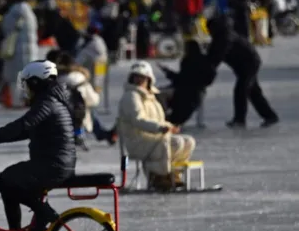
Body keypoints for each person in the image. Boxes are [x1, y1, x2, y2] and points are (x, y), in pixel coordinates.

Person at [0, 61, 76, 231]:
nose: (25, 88)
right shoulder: (51, 101)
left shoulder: (47, 103)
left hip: (53, 165)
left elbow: (22, 126)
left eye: (27, 83)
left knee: (7, 182)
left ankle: (43, 213)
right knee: (8, 181)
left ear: (36, 82)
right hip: (54, 163)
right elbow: (26, 132)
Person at [116, 61, 196, 191]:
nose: (138, 80)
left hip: (152, 138)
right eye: (135, 76)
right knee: (175, 143)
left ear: (149, 79)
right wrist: (159, 128)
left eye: (142, 77)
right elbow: (138, 120)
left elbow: (159, 119)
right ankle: (158, 176)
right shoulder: (131, 96)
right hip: (138, 141)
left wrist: (170, 126)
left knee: (188, 141)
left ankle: (173, 174)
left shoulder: (151, 96)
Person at [206, 15, 279, 129]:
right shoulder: (222, 36)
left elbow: (217, 56)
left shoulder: (225, 37)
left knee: (241, 90)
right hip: (243, 65)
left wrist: (209, 67)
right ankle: (270, 116)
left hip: (249, 64)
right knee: (253, 92)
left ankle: (240, 119)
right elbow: (213, 53)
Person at [0, 0, 39, 108]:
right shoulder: (30, 12)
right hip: (31, 49)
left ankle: (16, 102)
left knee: (15, 78)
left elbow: (6, 28)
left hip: (16, 49)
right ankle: (29, 100)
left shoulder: (13, 12)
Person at [159, 40, 217, 126]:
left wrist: (168, 72)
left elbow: (181, 79)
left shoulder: (187, 61)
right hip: (197, 91)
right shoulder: (205, 60)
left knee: (158, 94)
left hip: (184, 92)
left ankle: (160, 115)